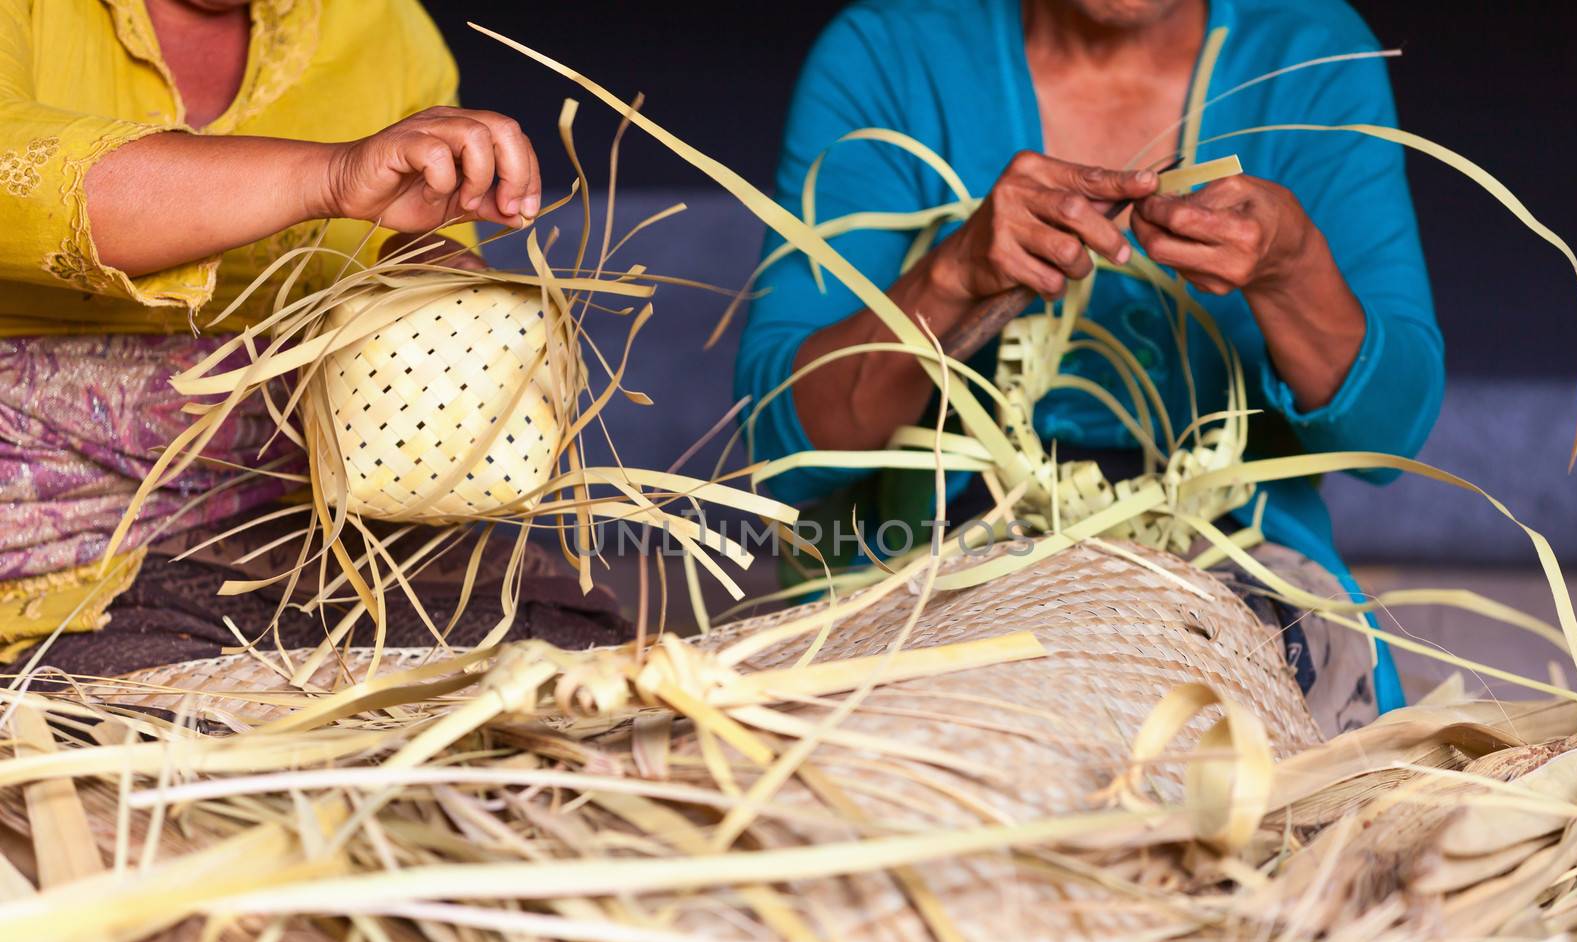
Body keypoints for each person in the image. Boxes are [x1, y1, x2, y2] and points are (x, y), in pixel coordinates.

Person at [735, 0, 1445, 733]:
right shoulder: (891, 55)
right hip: (942, 567)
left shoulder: (1311, 56)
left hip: (1236, 578)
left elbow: (1389, 436)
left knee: (1238, 730)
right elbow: (782, 447)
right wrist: (950, 278)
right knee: (976, 721)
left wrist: (1293, 270)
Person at [0, 0, 630, 673]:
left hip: (285, 532)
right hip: (48, 559)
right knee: (189, 715)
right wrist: (327, 175)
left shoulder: (382, 24)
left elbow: (416, 255)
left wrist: (441, 298)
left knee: (561, 648)